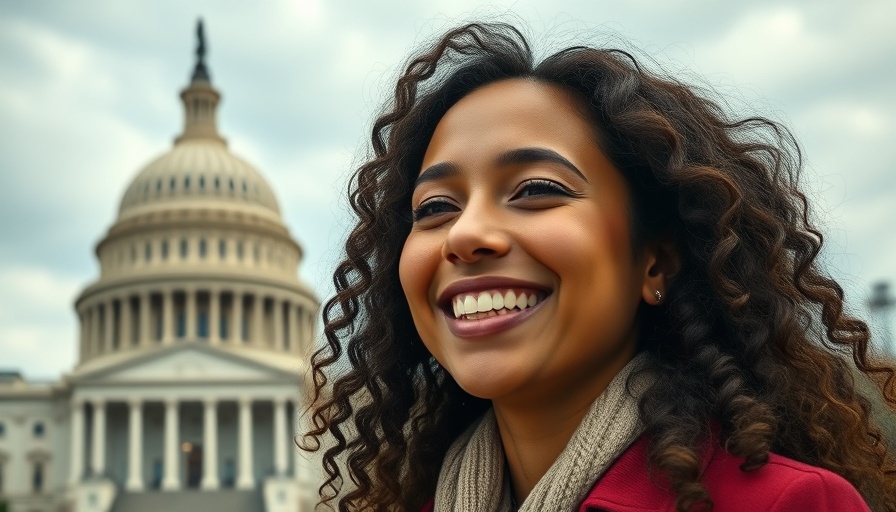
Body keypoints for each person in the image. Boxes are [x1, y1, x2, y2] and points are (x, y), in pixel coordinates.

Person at [302, 23, 896, 511]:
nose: (466, 234)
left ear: (656, 262)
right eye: (434, 208)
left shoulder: (786, 505)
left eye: (535, 189)